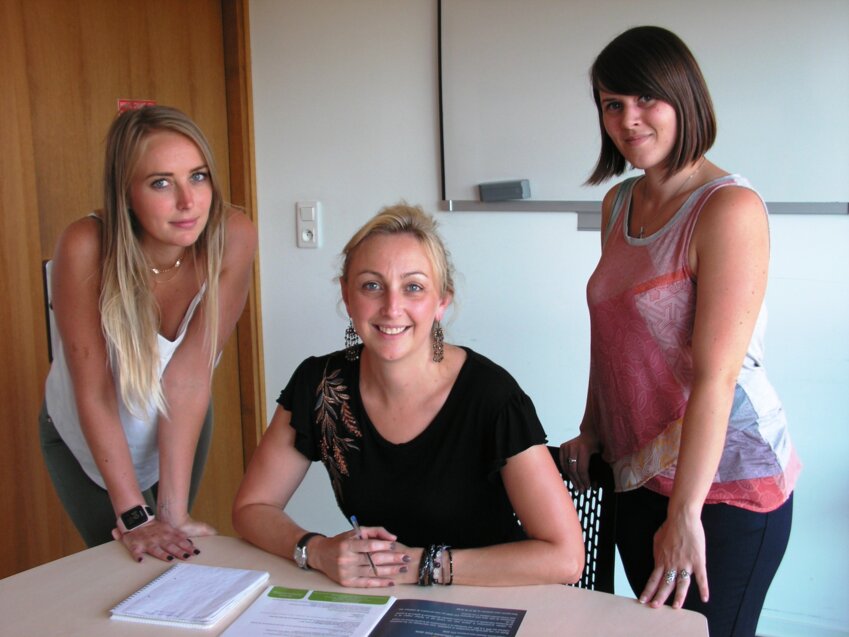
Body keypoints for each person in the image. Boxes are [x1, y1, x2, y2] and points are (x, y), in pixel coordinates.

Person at [560, 26, 800, 636]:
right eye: (612, 105)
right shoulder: (618, 203)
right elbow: (611, 338)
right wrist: (592, 429)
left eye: (645, 100)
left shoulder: (728, 209)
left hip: (721, 487)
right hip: (637, 470)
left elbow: (717, 377)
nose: (627, 120)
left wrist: (686, 513)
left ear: (684, 99)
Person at [233, 203, 584, 587]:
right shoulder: (320, 385)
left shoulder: (491, 396)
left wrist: (420, 565)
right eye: (371, 285)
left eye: (413, 287)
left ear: (441, 301)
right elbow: (252, 507)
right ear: (347, 296)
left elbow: (565, 558)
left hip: (490, 599)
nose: (392, 307)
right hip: (381, 604)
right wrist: (316, 550)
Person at [40, 105, 257, 562]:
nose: (188, 201)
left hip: (175, 418)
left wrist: (173, 512)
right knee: (124, 564)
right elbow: (95, 393)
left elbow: (191, 376)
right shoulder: (85, 247)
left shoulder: (232, 235)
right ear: (126, 193)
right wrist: (137, 516)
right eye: (161, 182)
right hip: (87, 430)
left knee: (174, 551)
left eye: (198, 177)